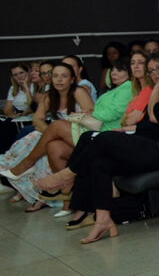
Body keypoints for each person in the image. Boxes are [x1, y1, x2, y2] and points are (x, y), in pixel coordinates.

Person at [37, 53, 159, 244]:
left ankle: (68, 175)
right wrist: (127, 129)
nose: (156, 74)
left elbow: (158, 119)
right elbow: (147, 125)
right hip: (145, 144)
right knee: (100, 161)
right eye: (152, 71)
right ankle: (103, 219)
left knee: (104, 138)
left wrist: (155, 91)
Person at [0, 61, 94, 210]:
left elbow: (91, 118)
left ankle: (25, 166)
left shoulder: (79, 92)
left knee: (51, 129)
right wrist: (51, 134)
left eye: (64, 76)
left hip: (82, 135)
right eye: (55, 76)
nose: (59, 79)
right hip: (60, 137)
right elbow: (37, 120)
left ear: (71, 79)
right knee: (48, 143)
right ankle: (65, 201)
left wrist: (56, 131)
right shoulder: (49, 96)